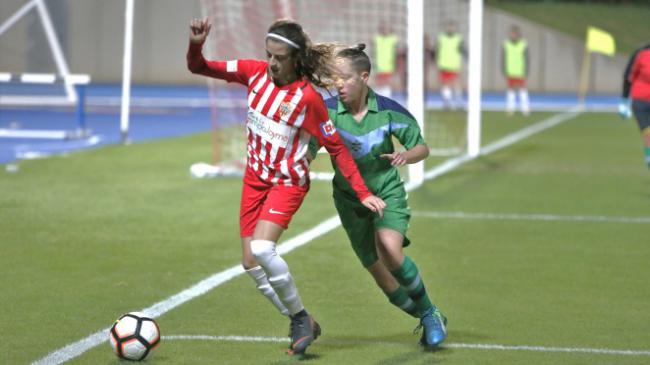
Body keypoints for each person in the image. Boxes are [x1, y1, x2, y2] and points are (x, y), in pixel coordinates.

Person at [187, 18, 386, 355]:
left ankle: (298, 320)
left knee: (264, 250)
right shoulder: (252, 72)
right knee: (250, 263)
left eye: (279, 58)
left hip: (287, 183)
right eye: (269, 55)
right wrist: (196, 44)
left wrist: (364, 192)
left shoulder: (308, 99)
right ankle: (300, 318)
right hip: (254, 180)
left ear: (296, 60)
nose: (272, 63)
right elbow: (199, 67)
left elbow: (335, 146)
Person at [308, 44, 447, 350]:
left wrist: (405, 156)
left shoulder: (389, 112)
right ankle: (425, 315)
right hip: (349, 200)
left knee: (388, 248)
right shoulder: (327, 112)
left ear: (364, 77)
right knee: (383, 279)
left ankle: (429, 311)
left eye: (345, 78)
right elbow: (310, 145)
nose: (338, 84)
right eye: (334, 78)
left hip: (386, 192)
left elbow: (422, 147)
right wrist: (298, 164)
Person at [620, 43, 650, 170]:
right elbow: (630, 77)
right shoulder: (642, 54)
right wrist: (624, 100)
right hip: (641, 101)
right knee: (648, 132)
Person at [434, 20, 466, 109]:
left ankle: (459, 101)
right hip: (443, 64)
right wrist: (436, 61)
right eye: (449, 27)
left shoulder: (459, 39)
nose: (450, 29)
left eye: (452, 27)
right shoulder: (441, 38)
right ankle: (447, 101)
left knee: (456, 83)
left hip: (454, 65)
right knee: (445, 83)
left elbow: (463, 51)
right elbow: (437, 50)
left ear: (455, 28)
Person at [501, 25, 530, 116]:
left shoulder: (523, 44)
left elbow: (527, 58)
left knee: (522, 90)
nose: (512, 35)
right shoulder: (506, 44)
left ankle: (525, 109)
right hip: (510, 70)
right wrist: (503, 69)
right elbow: (503, 57)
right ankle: (510, 109)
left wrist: (526, 69)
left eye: (514, 34)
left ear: (518, 34)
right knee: (510, 90)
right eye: (511, 34)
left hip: (520, 70)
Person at [373, 23, 398, 98]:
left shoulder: (392, 39)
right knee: (379, 81)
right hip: (379, 64)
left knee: (387, 81)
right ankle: (377, 96)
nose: (385, 31)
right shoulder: (377, 39)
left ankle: (387, 96)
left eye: (386, 29)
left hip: (389, 64)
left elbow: (395, 39)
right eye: (383, 29)